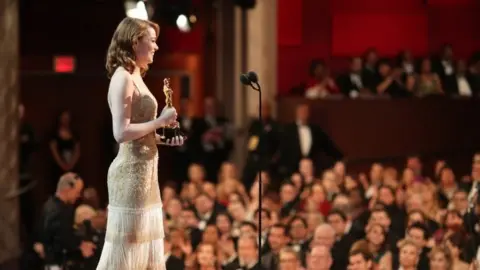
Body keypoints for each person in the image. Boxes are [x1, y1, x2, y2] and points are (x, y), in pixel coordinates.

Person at [96, 17, 184, 270]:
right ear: (136, 42)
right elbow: (121, 133)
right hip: (131, 175)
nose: (156, 47)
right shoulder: (123, 77)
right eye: (152, 41)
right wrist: (160, 121)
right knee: (127, 252)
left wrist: (161, 138)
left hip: (146, 174)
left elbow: (137, 133)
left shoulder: (136, 75)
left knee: (144, 252)